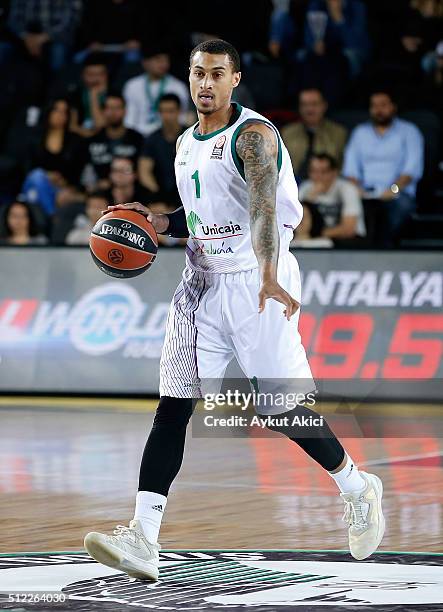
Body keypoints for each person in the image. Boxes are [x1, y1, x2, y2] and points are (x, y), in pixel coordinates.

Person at [84, 39, 385, 581]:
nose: (205, 84)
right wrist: (157, 222)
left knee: (279, 410)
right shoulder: (183, 143)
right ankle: (143, 536)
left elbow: (264, 206)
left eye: (217, 74)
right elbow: (198, 213)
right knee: (174, 404)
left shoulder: (253, 137)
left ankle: (357, 487)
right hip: (202, 282)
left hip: (258, 280)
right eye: (198, 73)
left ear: (236, 79)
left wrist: (269, 272)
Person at [343, 90, 424, 247]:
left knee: (399, 208)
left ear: (393, 107)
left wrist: (393, 189)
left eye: (383, 105)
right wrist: (357, 189)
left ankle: (384, 250)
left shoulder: (409, 131)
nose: (379, 110)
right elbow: (350, 170)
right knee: (350, 203)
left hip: (397, 193)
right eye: (374, 106)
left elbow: (412, 170)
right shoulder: (360, 133)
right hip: (366, 193)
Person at [22, 99, 82, 216]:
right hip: (35, 183)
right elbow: (27, 167)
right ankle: (52, 215)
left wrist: (64, 183)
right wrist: (47, 176)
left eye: (64, 112)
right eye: (56, 110)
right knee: (37, 178)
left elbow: (78, 169)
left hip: (60, 188)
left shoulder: (74, 141)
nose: (60, 115)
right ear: (48, 112)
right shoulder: (34, 137)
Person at [296, 153, 366, 245]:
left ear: (334, 172)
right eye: (313, 171)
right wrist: (309, 199)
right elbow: (297, 222)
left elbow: (349, 229)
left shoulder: (347, 189)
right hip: (316, 240)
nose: (318, 176)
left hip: (347, 242)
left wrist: (316, 234)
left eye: (323, 172)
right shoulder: (305, 188)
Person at [80, 93, 143, 189]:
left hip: (132, 191)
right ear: (103, 111)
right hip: (100, 193)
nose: (113, 112)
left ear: (125, 111)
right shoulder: (92, 141)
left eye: (117, 108)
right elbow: (86, 173)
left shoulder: (137, 139)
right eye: (109, 108)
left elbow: (142, 171)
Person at [281, 88, 347, 180]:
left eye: (314, 104)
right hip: (294, 185)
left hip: (329, 186)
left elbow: (343, 166)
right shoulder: (287, 133)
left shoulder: (338, 133)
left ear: (324, 106)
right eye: (304, 105)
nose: (309, 109)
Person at [123, 46, 189, 137]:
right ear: (145, 63)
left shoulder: (178, 86)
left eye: (166, 61)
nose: (164, 64)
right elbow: (129, 118)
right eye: (158, 60)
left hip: (167, 137)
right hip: (138, 136)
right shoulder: (132, 86)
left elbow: (182, 117)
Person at [138, 94, 186, 207]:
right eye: (163, 111)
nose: (166, 116)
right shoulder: (152, 139)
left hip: (186, 191)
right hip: (159, 194)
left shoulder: (190, 136)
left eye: (171, 111)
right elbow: (144, 171)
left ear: (179, 111)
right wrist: (160, 195)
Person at [69, 53, 109, 137]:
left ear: (106, 76)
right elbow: (72, 126)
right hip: (81, 137)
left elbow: (101, 126)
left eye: (99, 74)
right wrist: (89, 135)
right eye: (91, 75)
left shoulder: (113, 96)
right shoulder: (75, 94)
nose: (95, 79)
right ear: (83, 75)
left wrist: (93, 96)